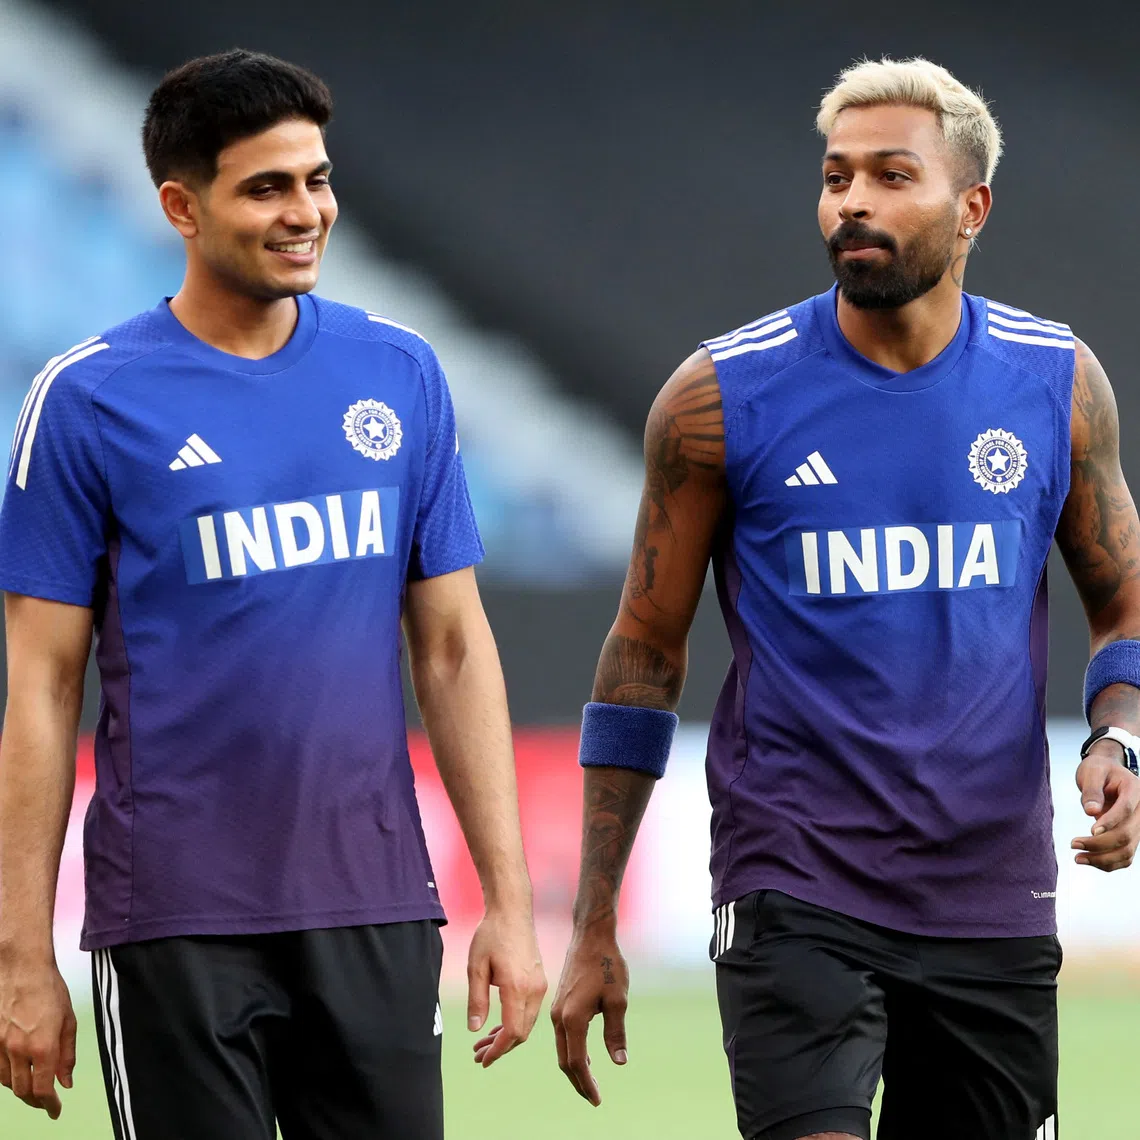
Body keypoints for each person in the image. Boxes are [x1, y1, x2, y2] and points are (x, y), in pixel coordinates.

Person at [550, 56, 1140, 1140]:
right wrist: (592, 920)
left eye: (889, 175)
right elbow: (642, 654)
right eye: (835, 176)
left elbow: (1126, 605)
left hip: (990, 894)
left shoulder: (1056, 384)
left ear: (972, 209)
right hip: (796, 885)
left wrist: (1121, 740)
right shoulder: (719, 398)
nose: (852, 201)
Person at [0, 49, 545, 1140]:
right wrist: (21, 958)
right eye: (268, 187)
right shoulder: (87, 401)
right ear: (179, 206)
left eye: (317, 179)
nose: (307, 212)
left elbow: (451, 650)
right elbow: (42, 690)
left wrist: (512, 908)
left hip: (377, 903)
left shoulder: (400, 374)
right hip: (174, 920)